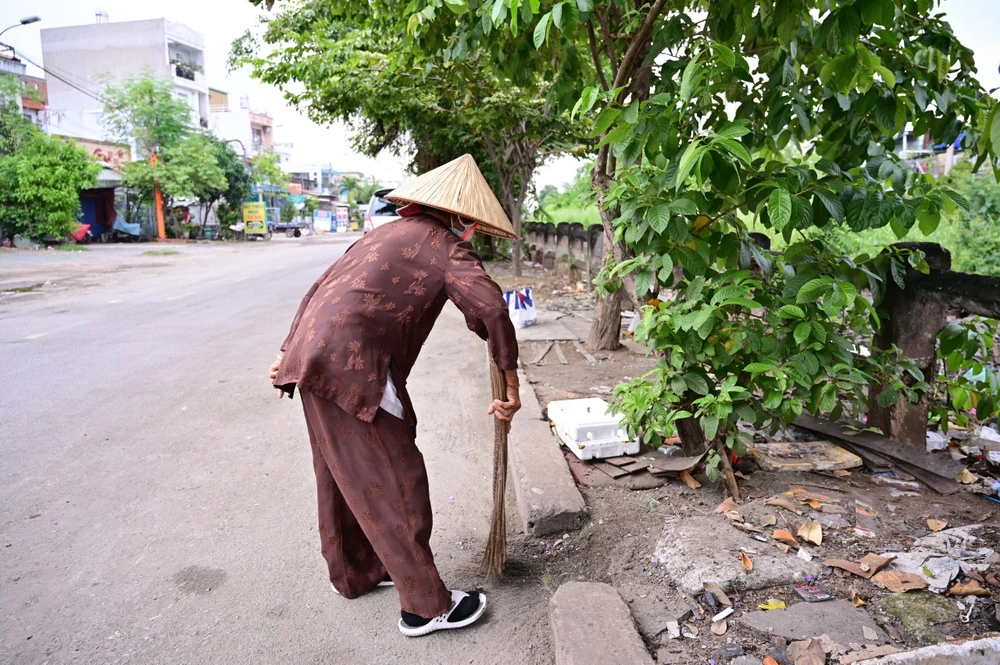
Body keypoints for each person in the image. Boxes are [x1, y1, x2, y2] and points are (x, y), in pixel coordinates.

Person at [269, 154, 522, 637]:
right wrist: (510, 380)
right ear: (465, 219)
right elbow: (490, 307)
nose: (474, 236)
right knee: (396, 476)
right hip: (355, 369)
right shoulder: (448, 246)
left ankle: (356, 572)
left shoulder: (379, 234)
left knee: (342, 471)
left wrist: (288, 353)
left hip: (314, 361)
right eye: (475, 228)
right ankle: (426, 607)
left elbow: (319, 289)